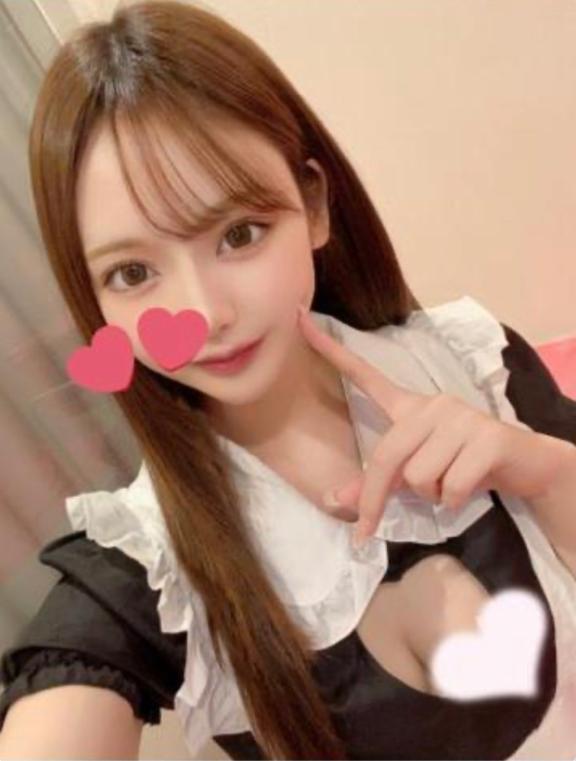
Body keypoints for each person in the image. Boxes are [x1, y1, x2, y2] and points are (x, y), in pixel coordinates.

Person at [0, 1, 575, 758]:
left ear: (314, 205)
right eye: (133, 273)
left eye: (239, 234)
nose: (204, 314)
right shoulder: (148, 570)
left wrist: (542, 469)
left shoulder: (472, 358)